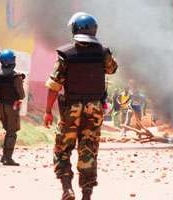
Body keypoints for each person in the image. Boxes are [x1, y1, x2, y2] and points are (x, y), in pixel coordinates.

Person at [43, 12, 118, 200]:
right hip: (95, 109)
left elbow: (54, 86)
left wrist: (47, 111)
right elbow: (112, 69)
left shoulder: (66, 54)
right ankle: (86, 195)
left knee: (62, 149)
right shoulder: (103, 53)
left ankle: (67, 188)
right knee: (89, 150)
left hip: (71, 108)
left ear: (75, 29)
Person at [0, 49, 25, 166]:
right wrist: (20, 81)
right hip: (11, 106)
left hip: (1, 105)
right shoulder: (15, 76)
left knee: (8, 130)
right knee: (12, 132)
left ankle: (4, 156)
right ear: (10, 61)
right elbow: (21, 95)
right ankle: (7, 158)